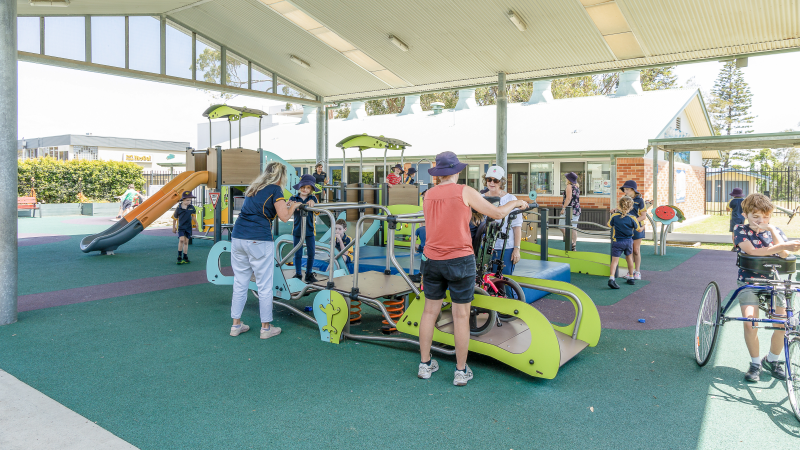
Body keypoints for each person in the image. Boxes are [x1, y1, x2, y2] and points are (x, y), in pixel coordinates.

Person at [417, 151, 528, 386]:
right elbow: (497, 213)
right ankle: (460, 371)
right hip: (459, 259)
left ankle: (425, 365)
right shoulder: (464, 191)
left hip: (432, 260)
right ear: (456, 172)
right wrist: (516, 202)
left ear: (438, 174)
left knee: (429, 313)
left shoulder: (428, 195)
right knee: (461, 315)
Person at [229, 161, 301, 340]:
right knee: (264, 285)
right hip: (258, 240)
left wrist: (286, 205)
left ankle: (236, 325)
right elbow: (284, 217)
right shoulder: (276, 190)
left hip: (238, 237)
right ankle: (266, 328)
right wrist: (294, 206)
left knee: (240, 283)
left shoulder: (254, 188)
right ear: (281, 176)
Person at [733, 193, 800, 382]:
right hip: (750, 281)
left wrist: (772, 230)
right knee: (750, 321)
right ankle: (755, 363)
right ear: (746, 215)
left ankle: (773, 359)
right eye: (755, 217)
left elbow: (785, 253)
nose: (760, 221)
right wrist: (781, 247)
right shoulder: (740, 229)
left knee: (781, 324)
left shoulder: (774, 230)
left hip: (775, 282)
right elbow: (753, 252)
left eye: (766, 216)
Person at [482, 166, 522, 275]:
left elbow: (517, 226)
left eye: (496, 180)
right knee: (483, 282)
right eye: (489, 179)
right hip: (484, 247)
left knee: (502, 283)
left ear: (501, 182)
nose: (492, 183)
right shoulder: (480, 198)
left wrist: (516, 249)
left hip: (505, 247)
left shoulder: (511, 199)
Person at [288, 174, 319, 283]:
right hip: (297, 230)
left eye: (308, 187)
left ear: (311, 189)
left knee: (311, 253)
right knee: (298, 253)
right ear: (299, 187)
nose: (305, 189)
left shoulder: (313, 198)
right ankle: (298, 273)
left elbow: (318, 212)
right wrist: (291, 205)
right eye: (303, 187)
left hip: (310, 230)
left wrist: (314, 204)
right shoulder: (293, 198)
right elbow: (287, 210)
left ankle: (309, 274)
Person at [606, 196, 641, 289]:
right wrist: (644, 227)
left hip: (617, 241)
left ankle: (612, 278)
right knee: (629, 258)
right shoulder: (633, 218)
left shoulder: (614, 216)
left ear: (619, 205)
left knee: (614, 261)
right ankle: (631, 277)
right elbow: (638, 229)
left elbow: (609, 224)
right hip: (628, 241)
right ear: (631, 207)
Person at [619, 180, 646, 280]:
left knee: (636, 250)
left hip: (638, 228)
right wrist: (615, 210)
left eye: (627, 189)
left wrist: (632, 222)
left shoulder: (640, 200)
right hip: (627, 228)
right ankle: (630, 272)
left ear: (633, 190)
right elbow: (621, 210)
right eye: (624, 189)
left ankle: (637, 271)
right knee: (628, 251)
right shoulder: (624, 199)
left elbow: (643, 216)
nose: (625, 191)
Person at [172, 191, 198, 265]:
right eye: (187, 200)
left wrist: (196, 222)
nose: (188, 202)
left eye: (190, 200)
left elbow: (193, 216)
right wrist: (173, 227)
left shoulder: (191, 207)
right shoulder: (179, 208)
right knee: (181, 240)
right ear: (183, 200)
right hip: (181, 227)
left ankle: (185, 257)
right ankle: (179, 257)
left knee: (186, 242)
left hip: (188, 227)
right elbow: (175, 218)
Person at [559, 172, 581, 252]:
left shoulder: (569, 186)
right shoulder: (576, 187)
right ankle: (574, 245)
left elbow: (568, 198)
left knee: (561, 226)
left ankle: (570, 242)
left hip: (569, 209)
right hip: (577, 209)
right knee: (573, 228)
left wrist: (563, 208)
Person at [728, 187, 745, 251]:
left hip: (734, 218)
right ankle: (741, 245)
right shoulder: (744, 201)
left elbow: (728, 209)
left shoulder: (731, 201)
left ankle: (735, 246)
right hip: (742, 218)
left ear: (734, 195)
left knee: (734, 232)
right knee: (741, 231)